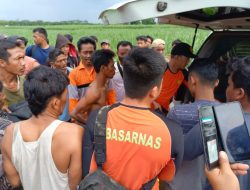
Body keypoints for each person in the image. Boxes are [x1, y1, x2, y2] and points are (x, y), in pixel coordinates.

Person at [85, 48, 183, 189]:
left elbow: (87, 168)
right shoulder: (173, 131)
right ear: (155, 90)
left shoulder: (97, 117)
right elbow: (167, 176)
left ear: (125, 81)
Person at [1, 66, 83, 190]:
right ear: (55, 103)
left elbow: (14, 181)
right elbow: (74, 184)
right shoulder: (73, 132)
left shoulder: (10, 133)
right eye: (65, 96)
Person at [165, 58, 219, 190]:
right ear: (216, 82)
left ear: (192, 80)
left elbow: (168, 153)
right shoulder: (227, 112)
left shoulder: (177, 113)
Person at [71, 49, 116, 124]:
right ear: (103, 68)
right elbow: (74, 113)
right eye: (112, 66)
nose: (114, 69)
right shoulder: (94, 92)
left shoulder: (105, 84)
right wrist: (92, 126)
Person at [156, 42, 196, 113]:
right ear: (176, 57)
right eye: (187, 58)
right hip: (151, 107)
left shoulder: (183, 74)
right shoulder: (160, 70)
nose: (188, 61)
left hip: (164, 110)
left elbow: (195, 86)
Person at [68, 37, 96, 113]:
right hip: (83, 117)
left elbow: (111, 93)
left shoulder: (101, 69)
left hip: (102, 115)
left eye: (91, 52)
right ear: (79, 53)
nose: (88, 55)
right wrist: (75, 118)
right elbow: (72, 99)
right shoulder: (73, 74)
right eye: (85, 52)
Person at [48, 48, 72, 122]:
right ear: (52, 63)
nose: (64, 63)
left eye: (64, 59)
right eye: (60, 61)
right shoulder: (47, 77)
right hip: (55, 117)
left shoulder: (73, 72)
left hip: (72, 115)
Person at [0, 39, 25, 107]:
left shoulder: (27, 81)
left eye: (23, 58)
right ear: (2, 63)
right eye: (18, 58)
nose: (23, 63)